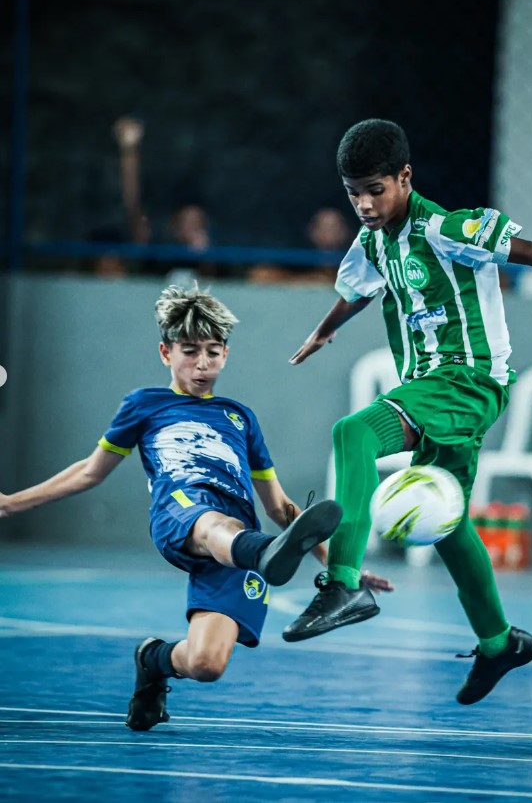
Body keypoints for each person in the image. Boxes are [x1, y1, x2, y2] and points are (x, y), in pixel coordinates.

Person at [282, 118, 532, 705]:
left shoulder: (448, 228)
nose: (363, 204)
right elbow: (357, 289)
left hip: (467, 380)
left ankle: (344, 585)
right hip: (432, 388)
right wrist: (323, 331)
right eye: (353, 192)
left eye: (375, 190)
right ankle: (498, 641)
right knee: (448, 521)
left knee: (353, 432)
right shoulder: (373, 240)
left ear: (405, 177)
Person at [0, 285, 392, 731]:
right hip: (184, 512)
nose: (202, 364)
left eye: (212, 352)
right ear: (166, 352)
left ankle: (153, 660)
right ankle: (259, 552)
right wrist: (12, 503)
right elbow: (90, 472)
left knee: (207, 663)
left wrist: (344, 570)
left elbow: (282, 510)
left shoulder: (239, 418)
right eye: (190, 351)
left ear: (226, 354)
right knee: (214, 524)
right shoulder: (144, 405)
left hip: (242, 538)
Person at [112, 117, 218, 281]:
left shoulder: (211, 253)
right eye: (187, 223)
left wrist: (206, 257)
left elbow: (218, 283)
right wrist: (129, 153)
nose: (192, 228)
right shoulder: (158, 247)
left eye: (197, 223)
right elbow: (132, 206)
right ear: (175, 226)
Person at [247, 207, 353, 285]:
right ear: (312, 231)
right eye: (324, 227)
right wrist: (309, 281)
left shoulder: (357, 263)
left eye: (337, 227)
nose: (331, 233)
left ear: (346, 232)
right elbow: (259, 275)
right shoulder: (297, 260)